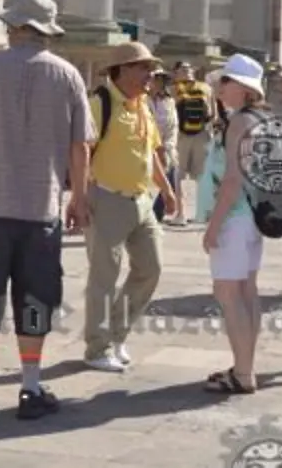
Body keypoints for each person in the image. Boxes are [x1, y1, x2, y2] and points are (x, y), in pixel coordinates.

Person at [0, 0, 93, 419]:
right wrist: (79, 197)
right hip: (42, 205)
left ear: (13, 28)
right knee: (36, 297)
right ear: (47, 31)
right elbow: (80, 145)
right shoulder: (68, 75)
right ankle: (30, 388)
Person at [83, 42, 177, 372]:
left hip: (141, 200)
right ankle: (97, 347)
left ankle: (117, 333)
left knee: (151, 267)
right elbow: (81, 151)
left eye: (151, 69)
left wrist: (167, 189)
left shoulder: (143, 105)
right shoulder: (99, 104)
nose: (150, 75)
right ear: (121, 70)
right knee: (103, 278)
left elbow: (150, 153)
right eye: (143, 68)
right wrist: (78, 198)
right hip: (106, 198)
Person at [197, 54, 269, 394]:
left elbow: (231, 180)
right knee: (246, 291)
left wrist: (214, 225)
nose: (219, 88)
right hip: (253, 217)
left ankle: (242, 373)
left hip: (235, 216)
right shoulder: (259, 118)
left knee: (227, 293)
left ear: (241, 87)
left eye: (224, 82)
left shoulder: (239, 123)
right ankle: (246, 366)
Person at [172, 61, 217, 224]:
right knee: (192, 175)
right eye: (183, 69)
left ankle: (185, 214)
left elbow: (213, 113)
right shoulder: (205, 88)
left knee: (187, 175)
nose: (186, 71)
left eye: (187, 68)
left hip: (188, 135)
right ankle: (196, 213)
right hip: (195, 135)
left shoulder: (173, 89)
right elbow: (213, 114)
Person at [149, 68, 179, 223]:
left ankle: (156, 214)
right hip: (145, 147)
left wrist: (169, 146)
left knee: (169, 182)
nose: (158, 82)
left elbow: (173, 126)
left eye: (161, 80)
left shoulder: (169, 102)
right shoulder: (139, 99)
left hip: (165, 146)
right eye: (156, 78)